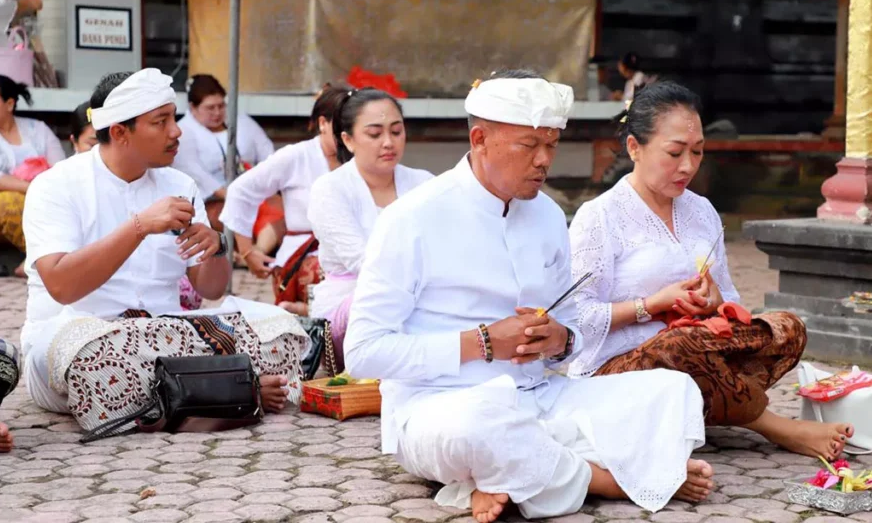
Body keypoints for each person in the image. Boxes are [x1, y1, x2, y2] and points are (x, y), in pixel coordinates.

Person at [345, 69, 712, 523]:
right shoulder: (412, 218)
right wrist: (480, 342)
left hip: (540, 397)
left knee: (671, 388)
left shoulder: (548, 217)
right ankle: (610, 481)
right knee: (479, 428)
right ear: (479, 139)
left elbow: (574, 326)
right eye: (528, 145)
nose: (544, 160)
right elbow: (362, 352)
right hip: (441, 407)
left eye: (551, 145)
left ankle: (507, 478)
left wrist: (560, 338)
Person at [568, 81, 853, 461]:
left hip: (696, 349)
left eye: (698, 151)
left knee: (786, 328)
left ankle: (705, 407)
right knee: (678, 346)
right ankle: (776, 427)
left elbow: (732, 303)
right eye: (674, 152)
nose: (688, 165)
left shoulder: (701, 211)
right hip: (617, 372)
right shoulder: (600, 216)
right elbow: (575, 320)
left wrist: (714, 302)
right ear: (635, 147)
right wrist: (652, 305)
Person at [20, 69, 307, 432]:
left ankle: (193, 396)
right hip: (77, 339)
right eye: (161, 121)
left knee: (280, 331)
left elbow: (211, 291)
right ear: (121, 132)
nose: (177, 131)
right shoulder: (54, 186)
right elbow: (62, 287)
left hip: (167, 335)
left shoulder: (178, 184)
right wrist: (139, 227)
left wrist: (215, 247)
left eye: (173, 117)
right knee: (94, 357)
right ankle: (228, 391)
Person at [308, 88, 432, 366]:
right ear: (348, 140)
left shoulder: (425, 184)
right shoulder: (329, 189)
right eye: (375, 135)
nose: (388, 142)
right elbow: (365, 265)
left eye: (397, 132)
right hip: (355, 304)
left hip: (421, 297)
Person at [219, 85, 347, 316]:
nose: (347, 136)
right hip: (305, 259)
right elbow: (241, 190)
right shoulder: (296, 156)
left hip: (352, 254)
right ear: (322, 124)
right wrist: (248, 252)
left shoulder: (362, 157)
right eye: (340, 128)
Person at [171, 74, 277, 231]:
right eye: (210, 108)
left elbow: (267, 152)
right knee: (238, 217)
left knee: (285, 212)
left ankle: (261, 252)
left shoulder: (240, 120)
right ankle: (251, 252)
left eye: (221, 106)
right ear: (193, 108)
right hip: (212, 201)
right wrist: (235, 195)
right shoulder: (183, 131)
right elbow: (196, 174)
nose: (217, 112)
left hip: (253, 191)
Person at [0, 75, 66, 277]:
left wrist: (43, 190)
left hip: (42, 198)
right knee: (9, 202)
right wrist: (33, 189)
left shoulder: (38, 130)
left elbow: (59, 168)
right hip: (8, 204)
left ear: (10, 104)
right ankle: (45, 258)